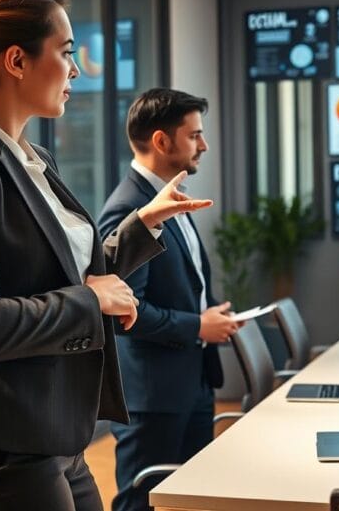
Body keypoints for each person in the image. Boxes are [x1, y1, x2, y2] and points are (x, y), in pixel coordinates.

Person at [0, 0, 212, 511]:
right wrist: (92, 301)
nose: (76, 70)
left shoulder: (34, 158)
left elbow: (67, 279)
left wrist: (143, 226)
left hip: (53, 433)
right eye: (67, 53)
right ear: (17, 61)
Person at [98, 88, 239, 511]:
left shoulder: (168, 197)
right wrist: (198, 326)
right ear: (162, 141)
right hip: (154, 396)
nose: (204, 145)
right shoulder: (128, 208)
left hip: (191, 381)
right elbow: (128, 312)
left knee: (187, 499)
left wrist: (211, 314)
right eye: (194, 135)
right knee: (141, 502)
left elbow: (188, 281)